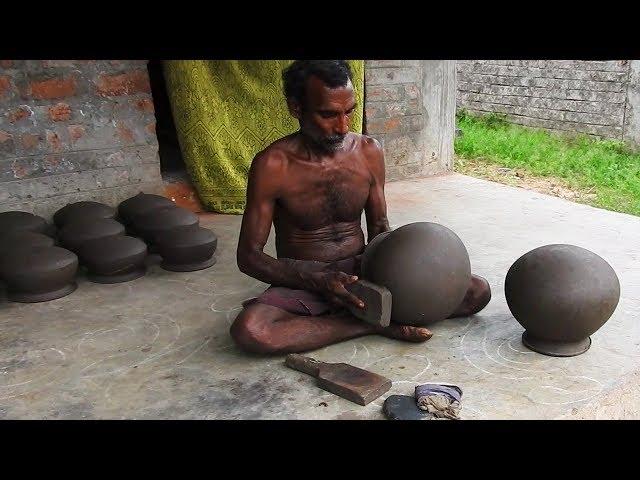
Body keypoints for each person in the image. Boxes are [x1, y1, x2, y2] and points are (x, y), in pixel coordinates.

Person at [230, 60, 490, 355]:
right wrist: (317, 278)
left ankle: (367, 314)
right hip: (308, 278)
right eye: (328, 114)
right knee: (251, 331)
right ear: (296, 108)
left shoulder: (368, 151)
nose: (343, 127)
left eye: (349, 111)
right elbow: (248, 257)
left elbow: (380, 228)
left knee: (475, 292)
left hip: (366, 271)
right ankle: (370, 324)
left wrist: (400, 269)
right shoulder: (272, 165)